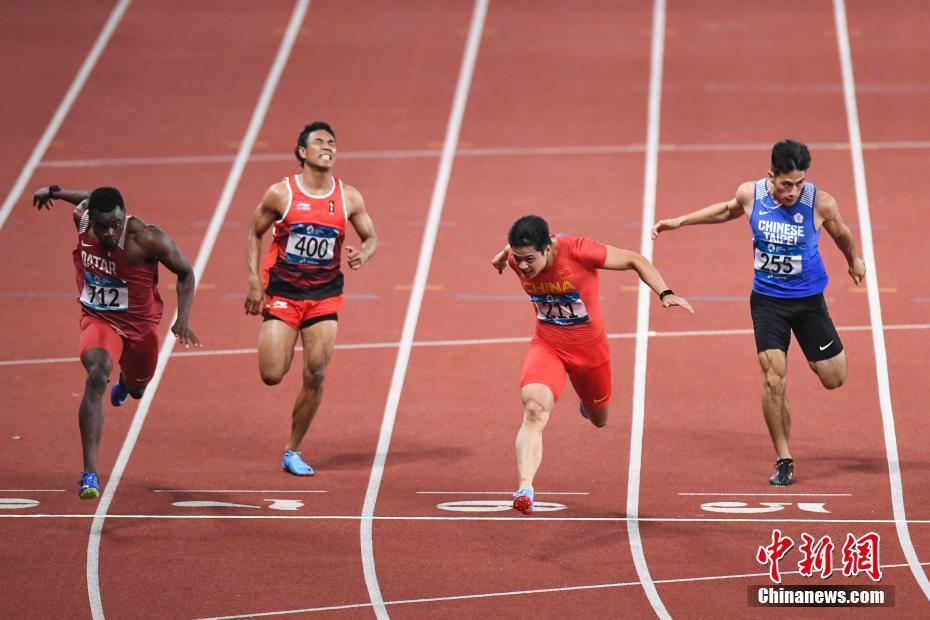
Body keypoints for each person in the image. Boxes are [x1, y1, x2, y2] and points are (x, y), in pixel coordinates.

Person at [651, 139, 866, 486]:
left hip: (809, 302)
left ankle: (811, 361)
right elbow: (725, 210)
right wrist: (679, 221)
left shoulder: (820, 203)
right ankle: (784, 458)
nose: (793, 191)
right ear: (772, 176)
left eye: (799, 182)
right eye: (786, 184)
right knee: (773, 378)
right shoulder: (751, 195)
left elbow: (841, 234)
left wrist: (853, 261)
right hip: (768, 302)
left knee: (833, 377)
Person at [491, 215, 693, 514]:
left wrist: (665, 293)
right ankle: (526, 488)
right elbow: (511, 250)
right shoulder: (514, 257)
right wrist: (500, 258)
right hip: (548, 346)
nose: (522, 267)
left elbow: (636, 260)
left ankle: (587, 405)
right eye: (517, 259)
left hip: (590, 354)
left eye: (529, 259)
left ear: (548, 249)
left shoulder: (579, 251)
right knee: (534, 409)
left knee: (600, 419)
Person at [33, 185, 200, 499]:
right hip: (99, 319)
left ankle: (126, 384)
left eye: (116, 224)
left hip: (139, 328)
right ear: (91, 219)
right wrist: (54, 192)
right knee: (96, 375)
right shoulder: (82, 218)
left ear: (125, 216)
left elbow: (187, 273)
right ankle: (89, 474)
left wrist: (183, 318)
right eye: (102, 225)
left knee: (138, 389)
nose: (110, 232)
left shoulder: (146, 238)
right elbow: (84, 199)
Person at [245, 121, 377, 476]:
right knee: (272, 374)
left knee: (316, 374)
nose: (327, 146)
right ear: (302, 152)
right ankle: (280, 342)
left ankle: (293, 449)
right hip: (284, 292)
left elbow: (371, 237)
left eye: (332, 141)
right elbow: (254, 232)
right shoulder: (281, 194)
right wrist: (254, 282)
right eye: (319, 141)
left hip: (324, 296)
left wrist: (364, 253)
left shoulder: (348, 196)